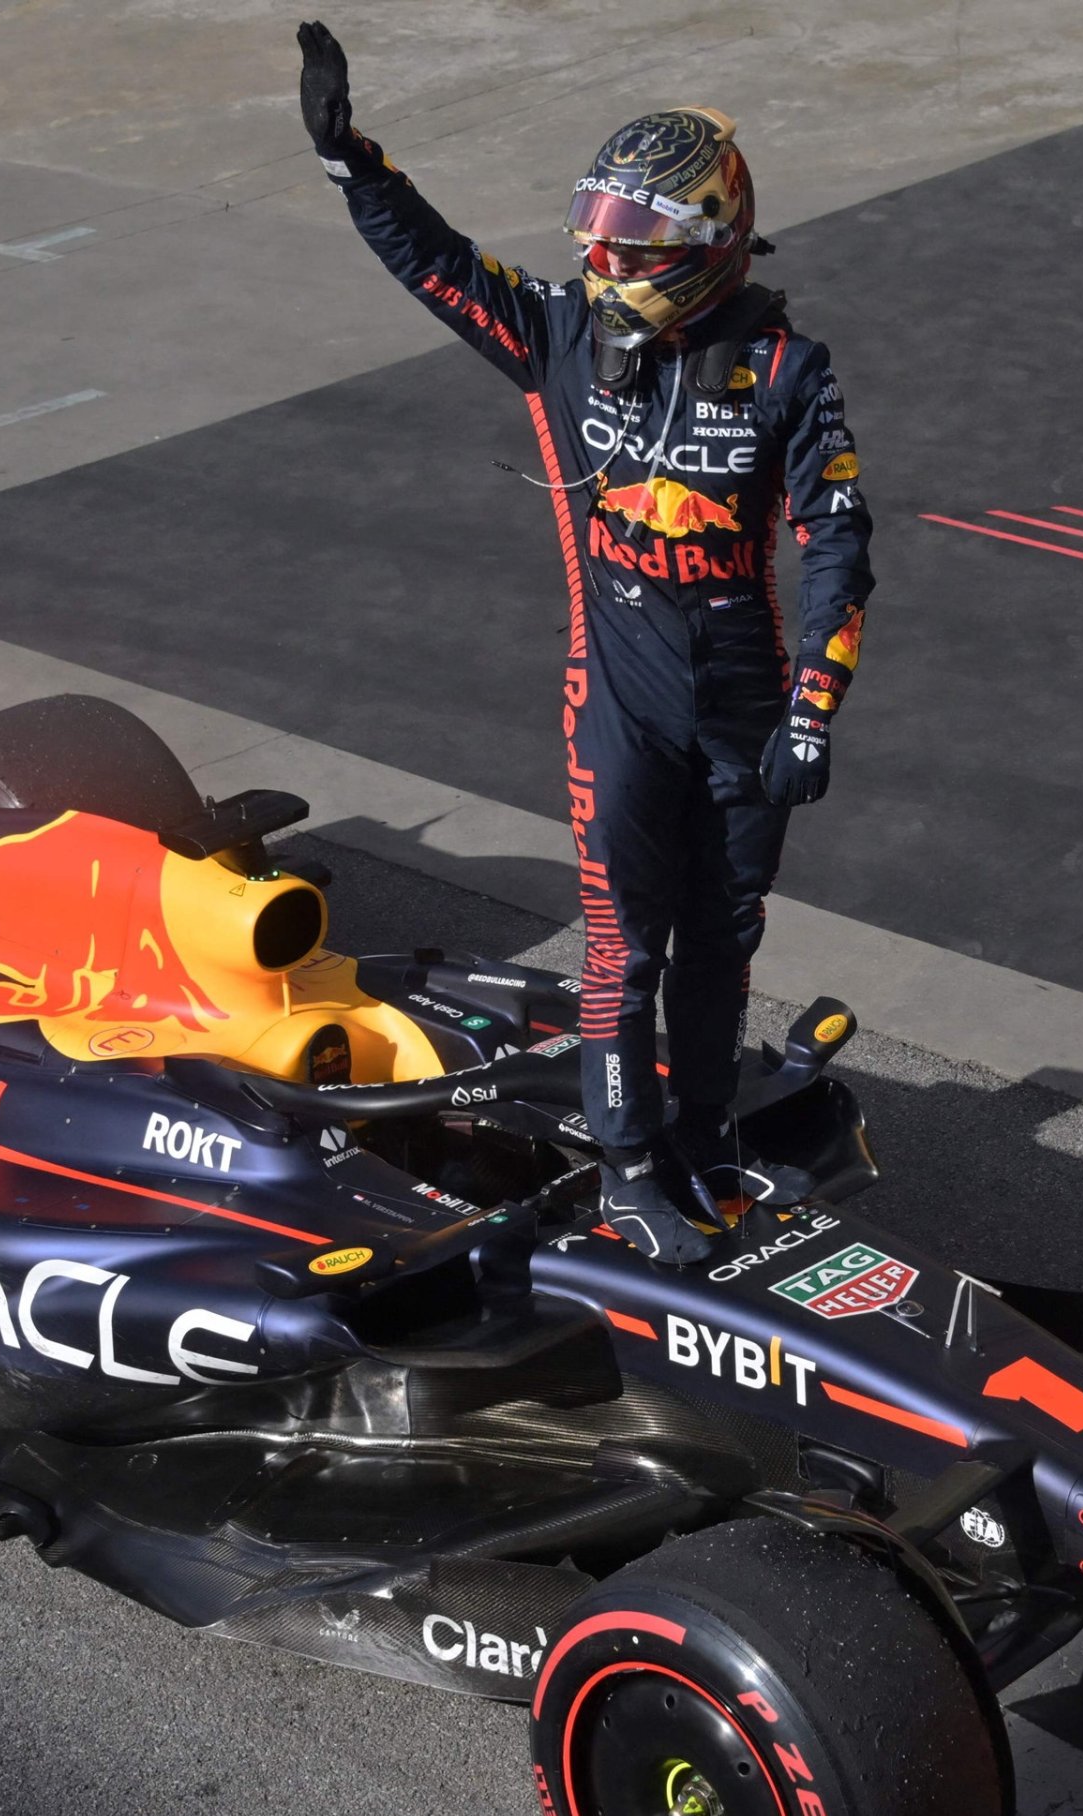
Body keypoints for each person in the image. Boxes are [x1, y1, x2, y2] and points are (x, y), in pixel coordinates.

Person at [294, 22, 875, 1264]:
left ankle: (709, 1136)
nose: (606, 263)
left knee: (727, 933)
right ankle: (624, 1167)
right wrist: (358, 167)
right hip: (613, 696)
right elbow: (437, 266)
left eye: (636, 244)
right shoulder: (555, 333)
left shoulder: (786, 368)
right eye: (596, 236)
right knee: (627, 938)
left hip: (748, 704)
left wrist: (815, 705)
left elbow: (840, 542)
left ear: (710, 246)